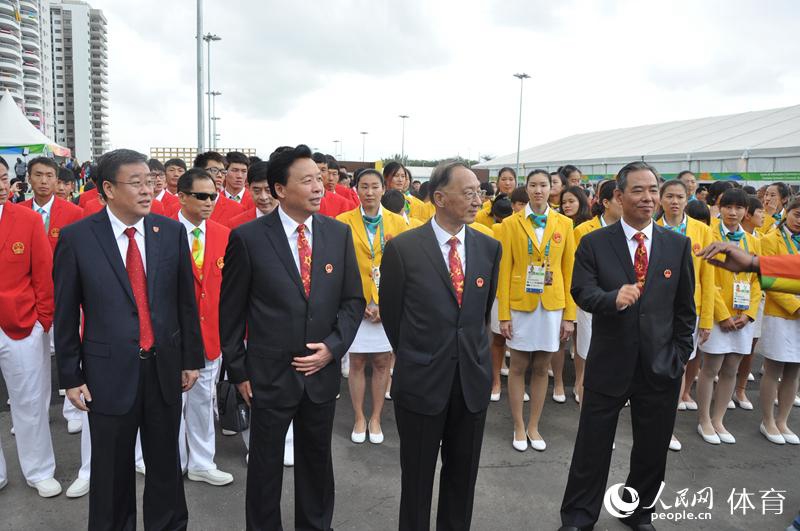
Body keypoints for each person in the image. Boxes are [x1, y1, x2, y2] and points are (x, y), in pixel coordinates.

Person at [53, 148, 204, 529]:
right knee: (112, 472)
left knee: (166, 466)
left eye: (149, 182)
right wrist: (70, 376)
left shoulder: (169, 232)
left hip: (164, 368)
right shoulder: (78, 238)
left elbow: (186, 300)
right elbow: (66, 312)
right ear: (107, 189)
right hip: (108, 373)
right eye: (135, 183)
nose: (147, 190)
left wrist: (190, 359)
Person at [219, 144, 364, 530]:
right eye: (308, 180)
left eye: (319, 178)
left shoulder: (337, 234)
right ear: (281, 189)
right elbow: (230, 313)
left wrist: (333, 349)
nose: (318, 187)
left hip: (320, 374)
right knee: (265, 468)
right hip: (267, 375)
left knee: (317, 462)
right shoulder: (249, 238)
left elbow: (353, 302)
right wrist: (239, 371)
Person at [560, 161, 696, 531]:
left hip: (661, 365)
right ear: (618, 197)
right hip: (610, 361)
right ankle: (577, 517)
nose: (649, 198)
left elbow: (686, 310)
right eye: (638, 190)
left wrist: (679, 356)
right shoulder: (594, 242)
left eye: (653, 189)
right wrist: (611, 298)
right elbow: (581, 291)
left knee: (652, 450)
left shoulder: (677, 245)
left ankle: (637, 512)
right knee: (592, 446)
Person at [379, 160, 501, 531]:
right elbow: (393, 314)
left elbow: (478, 315)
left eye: (479, 192)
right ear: (439, 197)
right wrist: (420, 354)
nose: (477, 199)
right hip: (422, 381)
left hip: (471, 382)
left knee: (462, 480)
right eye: (468, 192)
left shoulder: (488, 247)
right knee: (416, 481)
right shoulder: (403, 248)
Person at [498, 169, 575, 451]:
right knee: (518, 365)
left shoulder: (564, 224)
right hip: (521, 303)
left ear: (552, 188)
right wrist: (503, 314)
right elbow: (504, 271)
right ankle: (518, 424)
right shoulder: (510, 223)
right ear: (526, 189)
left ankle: (534, 426)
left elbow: (570, 270)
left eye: (544, 185)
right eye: (533, 185)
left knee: (542, 366)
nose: (539, 190)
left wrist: (570, 315)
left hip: (552, 304)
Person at [0, 157, 61, 498]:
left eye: (4, 177)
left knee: (30, 401)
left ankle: (39, 470)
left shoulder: (25, 219)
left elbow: (43, 273)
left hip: (21, 324)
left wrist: (43, 321)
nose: (0, 184)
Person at [172, 168, 235, 485]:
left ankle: (201, 462)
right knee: (171, 405)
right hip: (173, 336)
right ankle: (172, 462)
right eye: (202, 196)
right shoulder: (162, 232)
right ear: (181, 197)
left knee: (201, 402)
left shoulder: (225, 235)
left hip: (211, 335)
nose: (209, 202)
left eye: (214, 195)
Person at [336, 169, 407, 444]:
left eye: (374, 187)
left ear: (383, 189)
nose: (369, 192)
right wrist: (360, 301)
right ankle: (358, 417)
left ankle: (375, 417)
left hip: (385, 305)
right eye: (363, 186)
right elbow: (340, 267)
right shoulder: (343, 222)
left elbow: (404, 269)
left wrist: (386, 304)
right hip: (356, 304)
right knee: (356, 362)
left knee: (381, 362)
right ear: (356, 189)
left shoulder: (398, 224)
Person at [695, 188, 760, 446]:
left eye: (739, 208)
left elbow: (758, 280)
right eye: (728, 207)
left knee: (732, 368)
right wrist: (721, 314)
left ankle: (719, 418)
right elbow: (706, 279)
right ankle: (704, 419)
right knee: (710, 368)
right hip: (717, 314)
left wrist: (749, 314)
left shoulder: (753, 241)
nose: (733, 212)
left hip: (742, 315)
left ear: (745, 211)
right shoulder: (708, 234)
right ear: (719, 208)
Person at [657, 179, 715, 452]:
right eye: (669, 196)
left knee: (679, 366)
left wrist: (706, 319)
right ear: (660, 199)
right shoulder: (651, 228)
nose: (674, 202)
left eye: (680, 196)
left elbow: (708, 276)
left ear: (688, 198)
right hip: (656, 312)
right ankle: (650, 422)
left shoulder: (701, 231)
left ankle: (668, 427)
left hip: (686, 314)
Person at [571, 180, 622, 405]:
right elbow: (577, 273)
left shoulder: (632, 230)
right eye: (619, 199)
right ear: (605, 202)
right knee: (588, 356)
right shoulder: (584, 230)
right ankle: (582, 392)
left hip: (621, 306)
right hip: (592, 305)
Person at [753, 198, 800, 445]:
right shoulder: (770, 240)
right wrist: (797, 305)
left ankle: (783, 420)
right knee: (774, 368)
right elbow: (768, 280)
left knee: (794, 371)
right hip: (780, 313)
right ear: (787, 212)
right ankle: (768, 420)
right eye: (797, 213)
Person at [188, 152, 244, 225]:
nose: (220, 175)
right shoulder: (182, 205)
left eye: (223, 172)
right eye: (214, 170)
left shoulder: (237, 209)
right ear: (199, 171)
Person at [227, 160, 277, 229]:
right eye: (257, 191)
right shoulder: (237, 224)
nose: (263, 197)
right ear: (248, 188)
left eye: (268, 190)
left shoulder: (294, 219)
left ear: (278, 189)